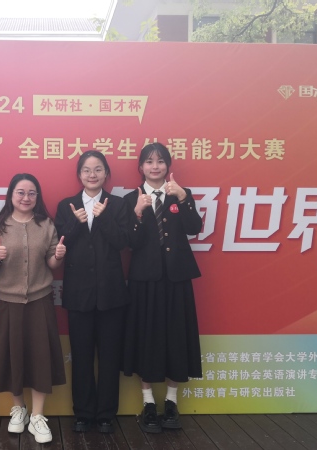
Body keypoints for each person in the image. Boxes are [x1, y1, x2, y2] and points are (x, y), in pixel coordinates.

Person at [122, 142, 203, 433]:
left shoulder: (180, 194)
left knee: (176, 337)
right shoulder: (130, 198)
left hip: (176, 278)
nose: (155, 166)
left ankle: (171, 401)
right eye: (149, 161)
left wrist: (183, 198)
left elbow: (194, 228)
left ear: (168, 166)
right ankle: (148, 403)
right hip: (145, 280)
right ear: (140, 167)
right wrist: (137, 213)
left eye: (160, 161)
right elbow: (127, 243)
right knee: (147, 337)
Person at [0, 173, 66, 444]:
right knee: (12, 355)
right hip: (8, 302)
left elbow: (52, 263)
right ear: (11, 195)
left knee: (41, 357)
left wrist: (58, 256)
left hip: (40, 300)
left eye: (31, 193)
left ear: (37, 197)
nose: (26, 198)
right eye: (20, 192)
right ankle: (19, 409)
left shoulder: (46, 224)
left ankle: (38, 416)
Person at [54, 150, 129, 434]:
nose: (92, 174)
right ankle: (83, 413)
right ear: (79, 174)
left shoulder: (118, 204)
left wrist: (104, 218)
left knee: (110, 357)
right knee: (81, 356)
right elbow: (60, 243)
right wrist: (76, 222)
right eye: (86, 170)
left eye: (98, 169)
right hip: (78, 293)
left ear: (106, 173)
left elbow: (122, 242)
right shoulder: (66, 205)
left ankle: (106, 413)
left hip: (111, 293)